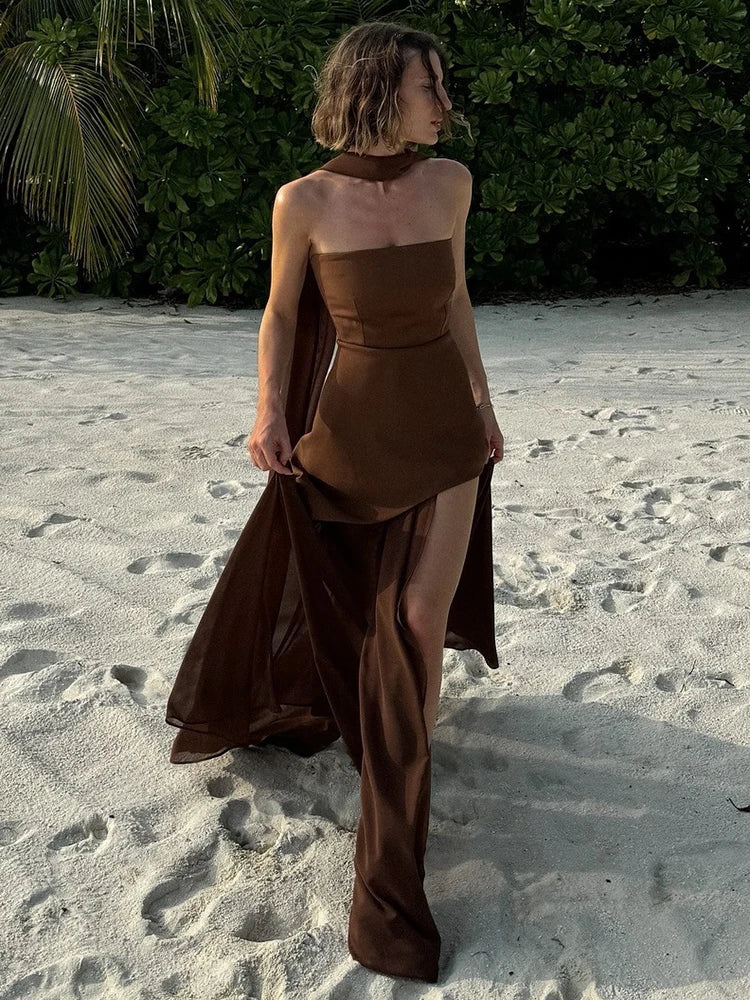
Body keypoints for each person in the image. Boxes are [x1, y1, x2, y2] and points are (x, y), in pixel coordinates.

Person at [165, 20, 504, 985]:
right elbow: (281, 313)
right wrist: (268, 412)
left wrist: (484, 402)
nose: (445, 103)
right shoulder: (303, 200)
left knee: (415, 618)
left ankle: (399, 806)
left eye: (442, 85)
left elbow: (456, 300)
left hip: (445, 432)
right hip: (352, 433)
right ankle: (394, 740)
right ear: (377, 91)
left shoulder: (451, 183)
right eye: (429, 87)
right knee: (362, 615)